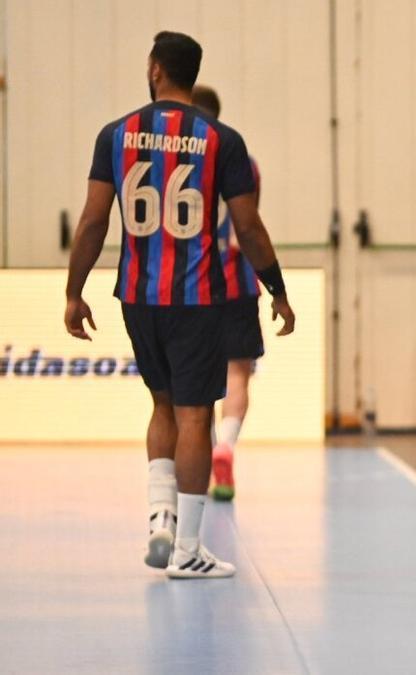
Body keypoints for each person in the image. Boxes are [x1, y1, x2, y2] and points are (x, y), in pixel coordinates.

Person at [64, 32, 296, 579]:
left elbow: (95, 219)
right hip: (197, 297)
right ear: (193, 74)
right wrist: (277, 289)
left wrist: (74, 292)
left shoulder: (115, 135)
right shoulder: (222, 139)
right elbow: (249, 226)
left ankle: (159, 517)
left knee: (161, 406)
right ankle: (189, 548)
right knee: (197, 415)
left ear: (154, 69)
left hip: (138, 295)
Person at [189, 85, 263, 500]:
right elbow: (242, 233)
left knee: (196, 380)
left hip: (188, 285)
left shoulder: (177, 158)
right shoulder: (243, 161)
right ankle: (225, 448)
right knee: (238, 374)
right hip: (235, 282)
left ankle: (196, 468)